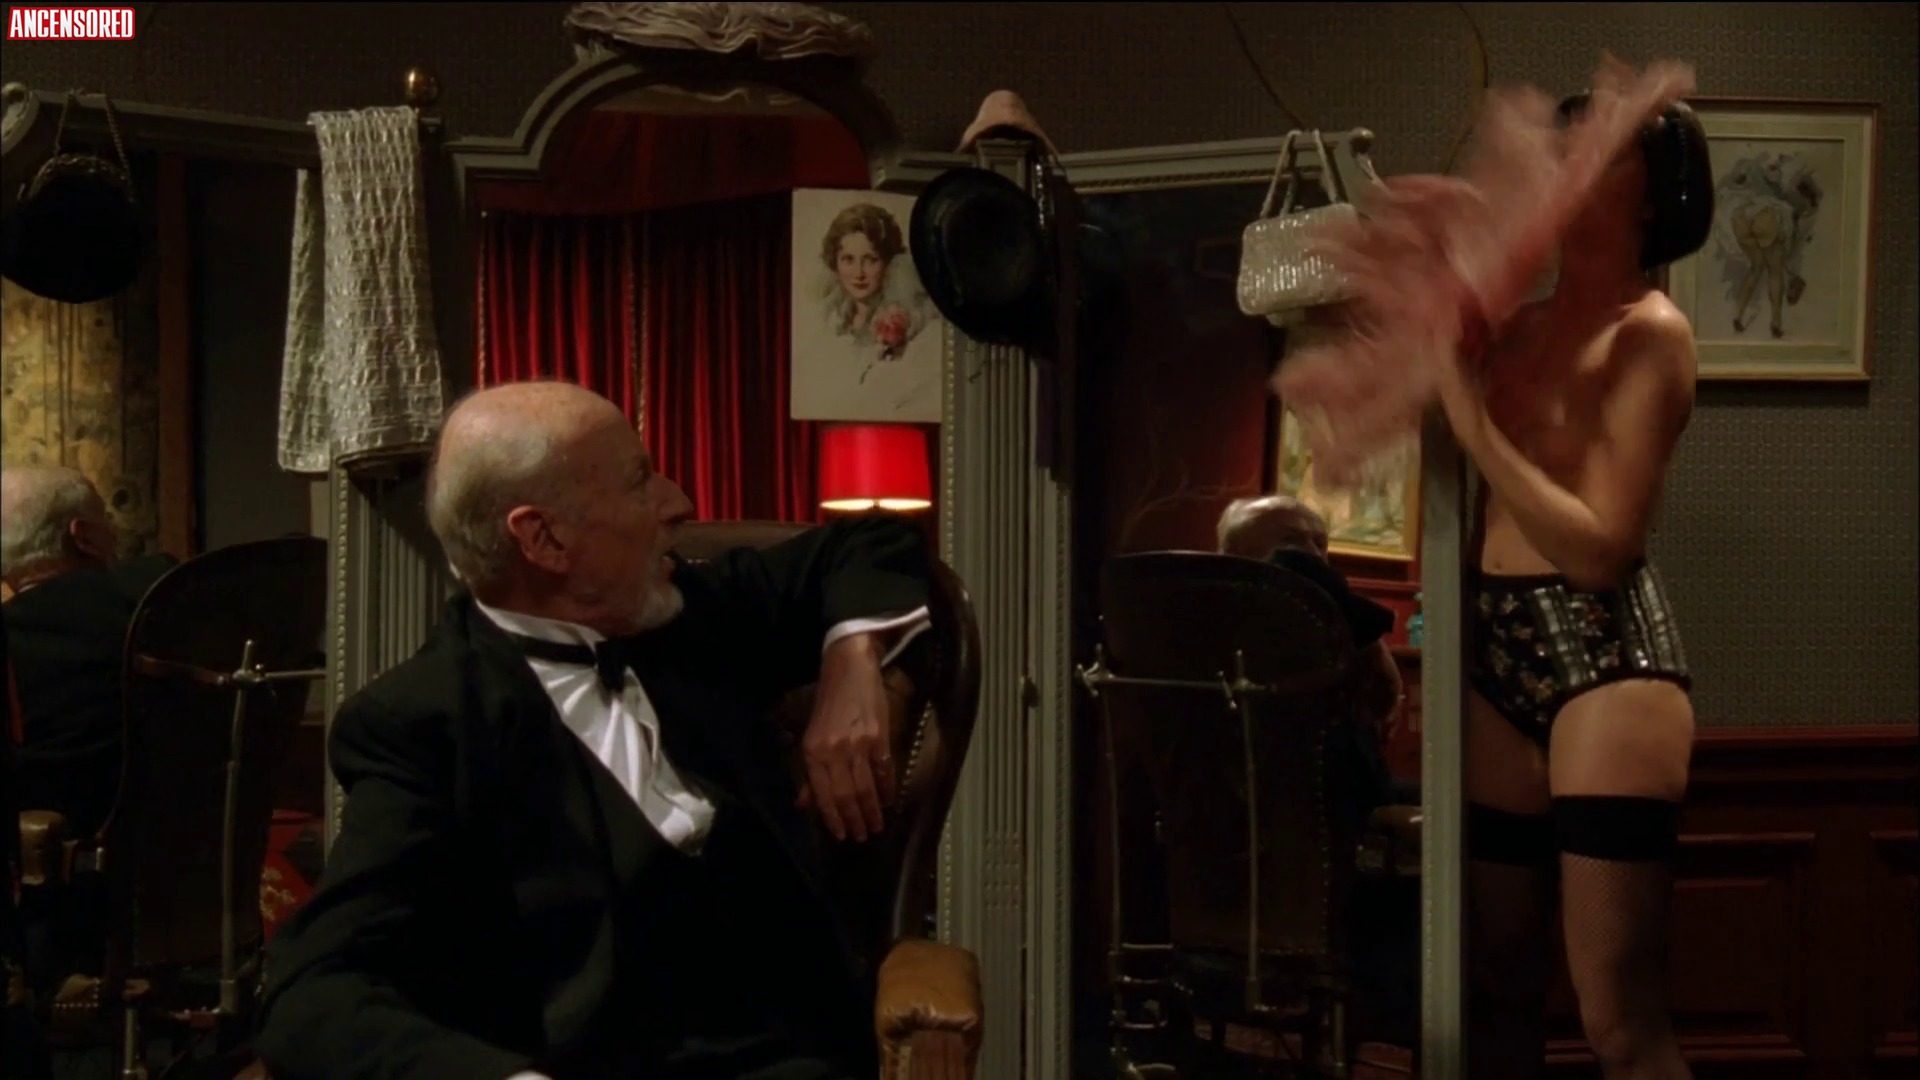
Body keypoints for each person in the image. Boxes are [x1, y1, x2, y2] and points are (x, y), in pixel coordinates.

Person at [255, 381, 934, 1080]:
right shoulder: (425, 725)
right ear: (543, 538)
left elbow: (876, 542)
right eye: (639, 480)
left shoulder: (694, 613)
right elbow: (314, 991)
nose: (678, 502)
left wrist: (852, 659)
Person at [1435, 94, 1713, 1080]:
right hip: (1494, 646)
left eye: (1603, 155)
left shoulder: (1653, 334)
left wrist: (1473, 424)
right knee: (1493, 995)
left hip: (1605, 657)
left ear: (1656, 195)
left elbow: (1601, 552)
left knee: (1619, 1021)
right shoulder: (1514, 330)